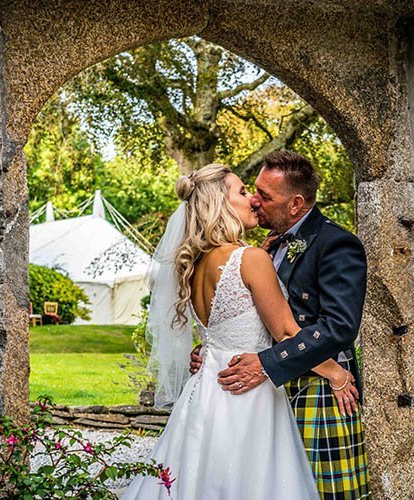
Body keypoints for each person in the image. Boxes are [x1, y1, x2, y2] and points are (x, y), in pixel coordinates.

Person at [120, 163, 358, 500]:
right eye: (244, 192)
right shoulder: (250, 259)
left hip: (205, 393)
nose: (253, 200)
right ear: (221, 204)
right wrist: (336, 373)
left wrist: (203, 353)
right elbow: (287, 332)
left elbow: (218, 333)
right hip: (247, 394)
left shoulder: (194, 263)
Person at [191, 150, 370, 499]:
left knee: (320, 491)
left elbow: (339, 327)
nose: (255, 202)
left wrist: (268, 363)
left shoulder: (337, 244)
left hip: (315, 386)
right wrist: (211, 350)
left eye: (265, 196)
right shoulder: (258, 249)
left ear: (296, 204)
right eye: (251, 191)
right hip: (260, 389)